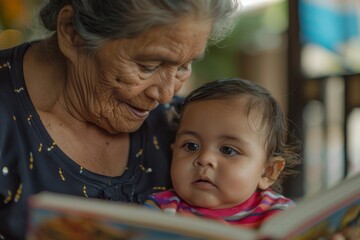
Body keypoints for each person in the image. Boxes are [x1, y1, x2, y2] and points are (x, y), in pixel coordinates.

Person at [0, 1, 239, 239]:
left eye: (183, 67)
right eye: (148, 66)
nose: (166, 94)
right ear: (72, 32)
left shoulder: (182, 126)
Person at [146, 78, 302, 228]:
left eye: (228, 150)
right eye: (191, 146)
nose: (204, 159)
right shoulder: (161, 211)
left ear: (267, 171)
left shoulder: (282, 215)